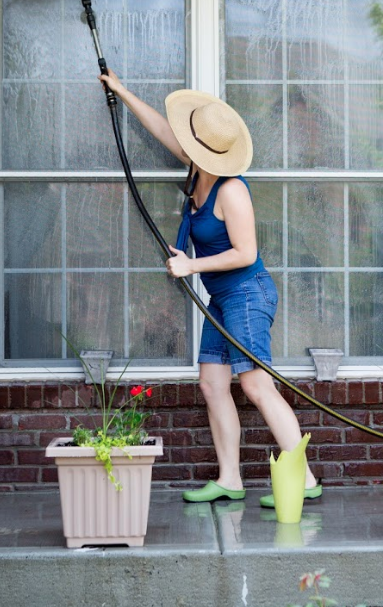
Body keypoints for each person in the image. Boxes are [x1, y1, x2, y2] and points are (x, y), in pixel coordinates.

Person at [99, 71, 321, 506]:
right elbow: (160, 129)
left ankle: (306, 480)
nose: (180, 139)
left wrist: (190, 264)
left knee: (256, 386)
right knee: (212, 385)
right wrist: (123, 91)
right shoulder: (197, 167)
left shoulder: (231, 189)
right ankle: (230, 479)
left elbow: (245, 252)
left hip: (247, 292)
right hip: (222, 297)